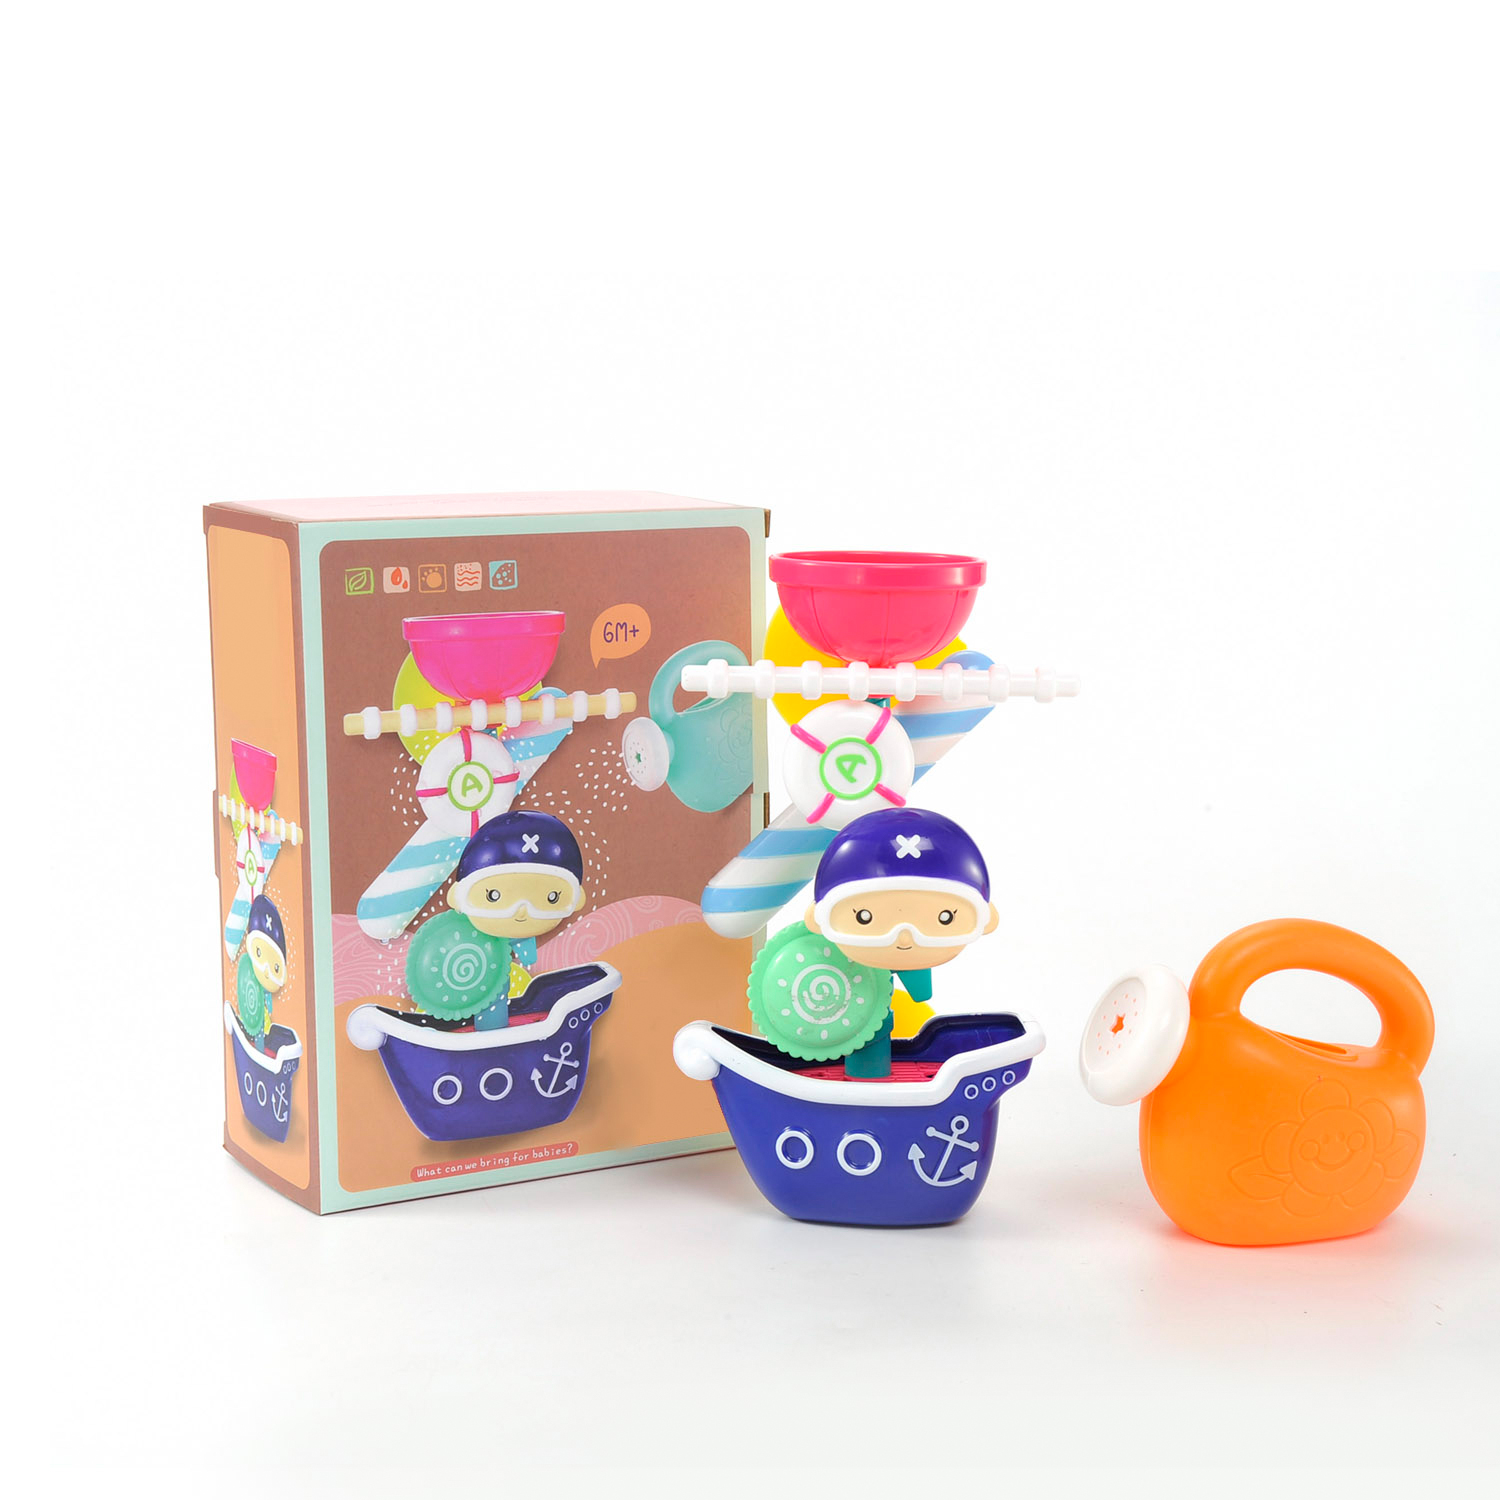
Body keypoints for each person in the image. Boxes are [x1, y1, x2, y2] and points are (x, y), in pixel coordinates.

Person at [804, 808, 998, 1075]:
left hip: (874, 1016)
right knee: (865, 1021)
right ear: (819, 916)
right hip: (851, 1019)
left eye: (945, 917)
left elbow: (920, 992)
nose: (904, 936)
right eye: (864, 916)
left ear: (986, 918)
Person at [445, 810, 586, 1028]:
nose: (521, 911)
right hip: (470, 977)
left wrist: (525, 949)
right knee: (488, 990)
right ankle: (489, 1030)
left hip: (496, 979)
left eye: (551, 897)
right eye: (493, 896)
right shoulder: (463, 941)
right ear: (459, 895)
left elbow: (526, 955)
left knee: (499, 988)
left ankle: (495, 1030)